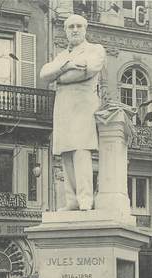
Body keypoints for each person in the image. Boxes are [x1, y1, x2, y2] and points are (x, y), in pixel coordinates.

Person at [40, 14, 106, 211]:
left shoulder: (95, 49)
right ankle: (72, 200)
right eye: (71, 27)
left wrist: (58, 76)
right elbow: (44, 74)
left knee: (81, 151)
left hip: (83, 106)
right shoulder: (62, 56)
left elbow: (88, 70)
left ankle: (85, 199)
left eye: (78, 26)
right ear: (66, 31)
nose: (75, 30)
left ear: (85, 29)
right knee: (66, 152)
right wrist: (66, 66)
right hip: (63, 108)